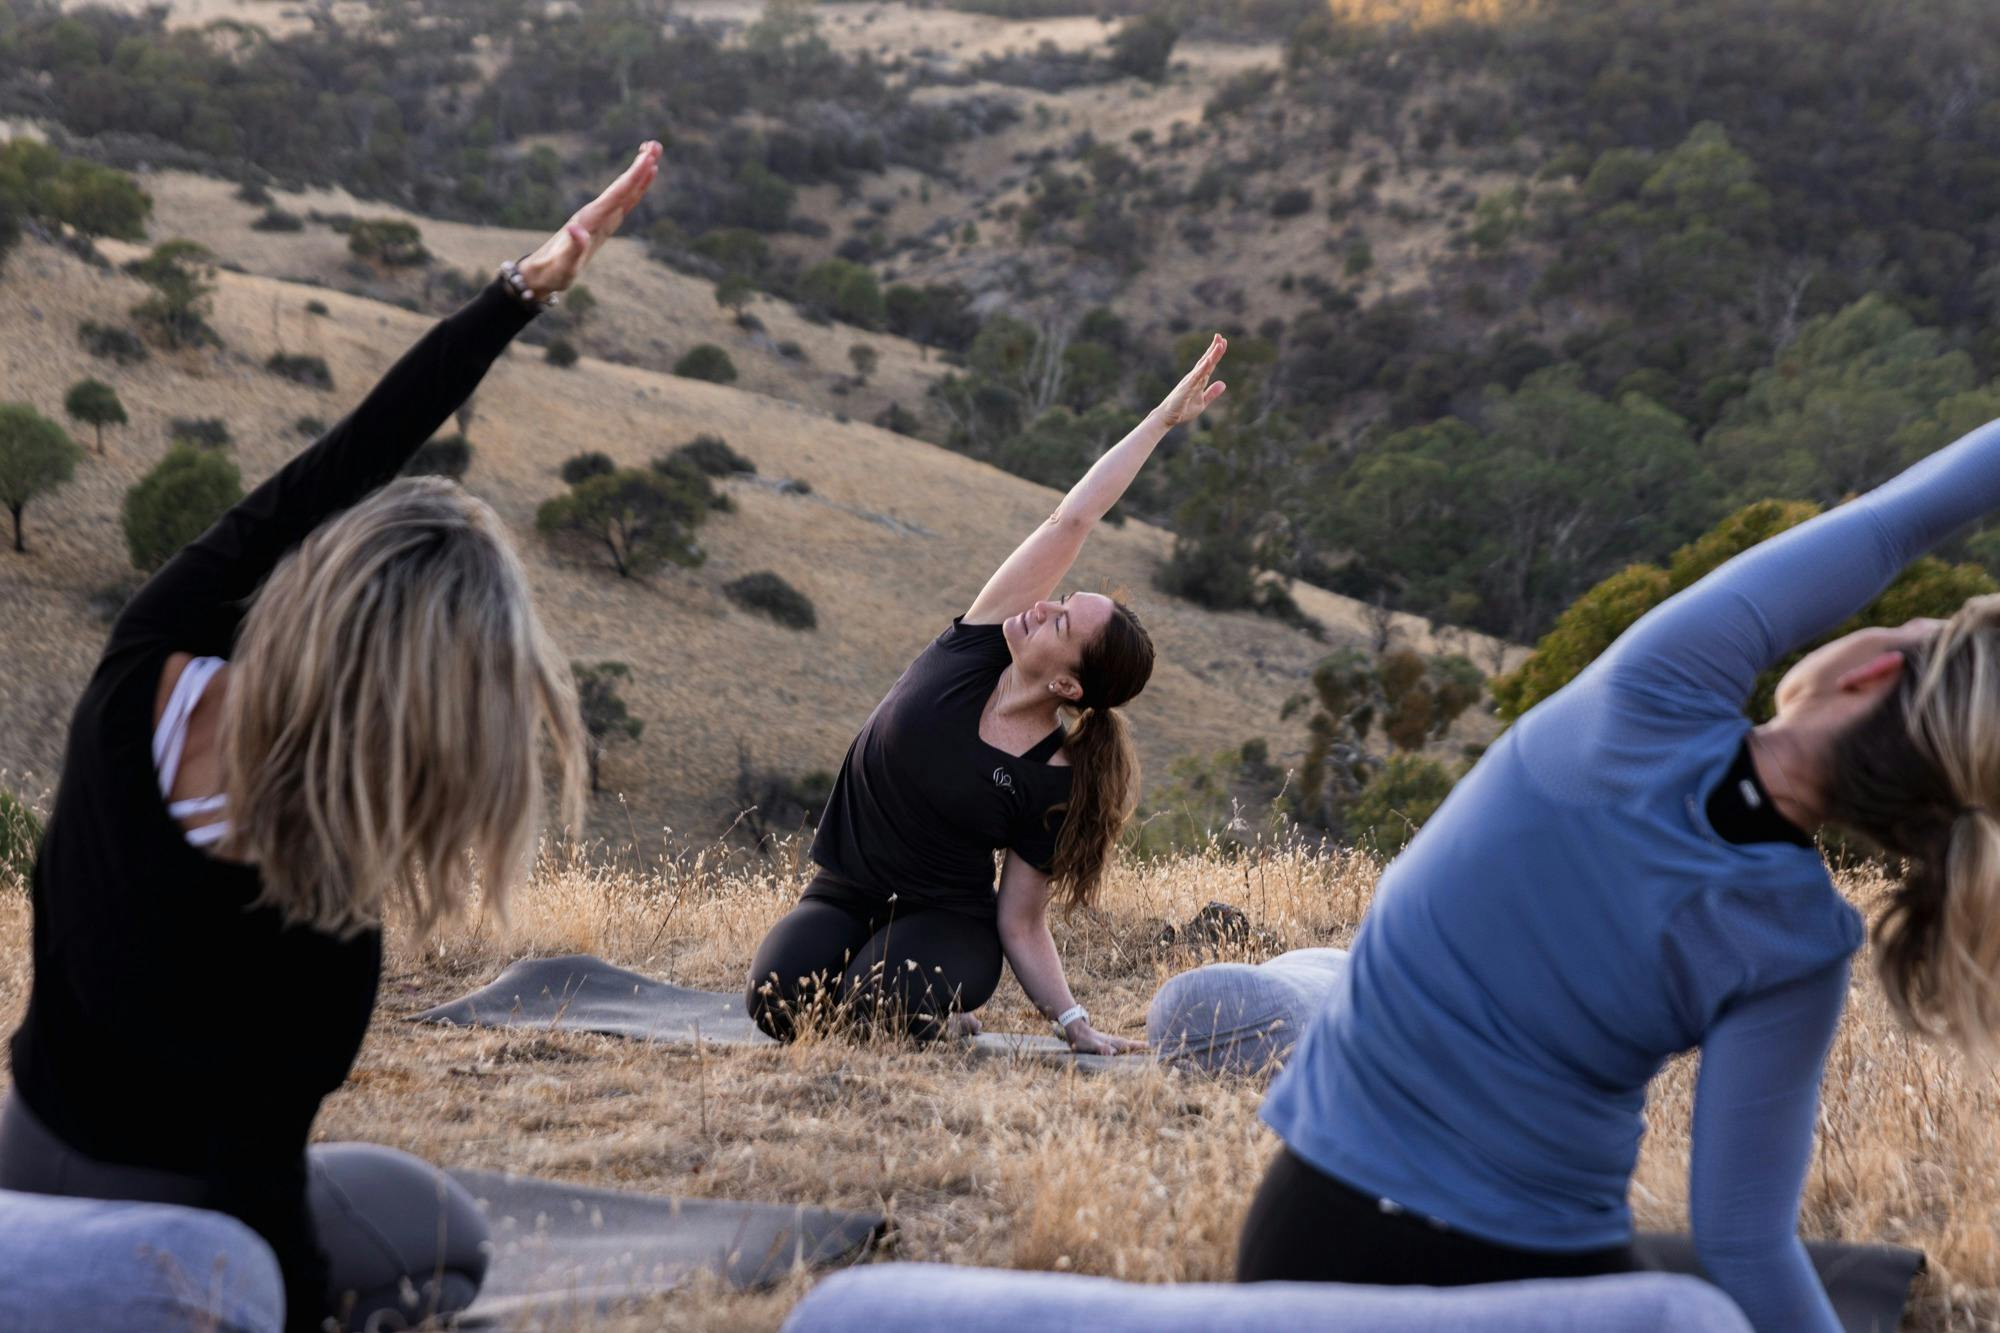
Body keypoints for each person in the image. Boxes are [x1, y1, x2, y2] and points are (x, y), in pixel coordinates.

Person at [1, 143, 662, 1331]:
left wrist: (522, 287)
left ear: (317, 587)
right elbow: (256, 1199)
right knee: (439, 1229)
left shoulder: (140, 670)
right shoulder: (316, 922)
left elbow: (341, 462)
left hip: (22, 1154)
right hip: (169, 1232)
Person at [1236, 416, 2000, 1331]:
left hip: (1313, 1234)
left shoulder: (1658, 689)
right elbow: (1745, 1243)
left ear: (1874, 671)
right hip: (1550, 1281)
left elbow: (1894, 523)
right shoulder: (1799, 941)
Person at [746, 337, 1232, 1054]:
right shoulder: (978, 641)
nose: (1042, 606)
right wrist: (1160, 420)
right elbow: (1073, 520)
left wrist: (1075, 1024)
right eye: (1060, 597)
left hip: (950, 923)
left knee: (869, 1012)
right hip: (845, 891)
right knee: (778, 1005)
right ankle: (902, 988)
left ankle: (943, 1004)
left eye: (1060, 619)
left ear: (1067, 683)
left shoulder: (1055, 775)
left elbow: (1022, 920)